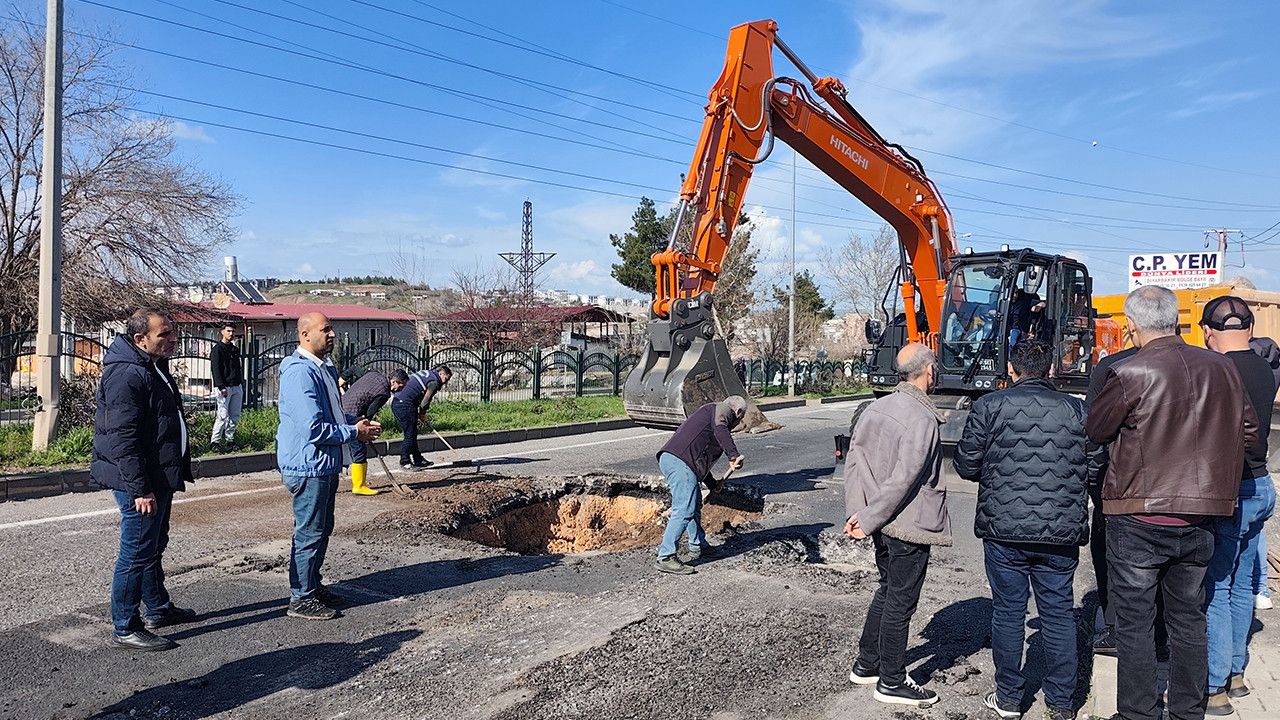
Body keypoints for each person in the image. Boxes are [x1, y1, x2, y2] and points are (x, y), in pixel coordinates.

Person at [1086, 286, 1257, 720]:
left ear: (1131, 326)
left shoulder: (1128, 371)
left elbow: (1096, 430)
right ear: (1176, 320)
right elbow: (1250, 433)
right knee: (1188, 619)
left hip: (1137, 513)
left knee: (1136, 624)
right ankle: (1187, 711)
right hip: (1199, 516)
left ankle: (1138, 713)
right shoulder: (1223, 369)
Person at [953, 339, 1088, 720]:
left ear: (1011, 371)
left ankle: (1010, 698)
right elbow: (1095, 468)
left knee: (1009, 612)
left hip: (1004, 530)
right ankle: (1062, 703)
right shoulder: (1078, 411)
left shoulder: (990, 406)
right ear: (1049, 371)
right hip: (1060, 533)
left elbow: (966, 465)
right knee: (1059, 614)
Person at [844, 342, 950, 708]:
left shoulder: (877, 407)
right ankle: (891, 681)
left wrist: (858, 513)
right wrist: (869, 517)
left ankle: (866, 664)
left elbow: (855, 463)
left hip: (880, 520)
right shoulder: (921, 418)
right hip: (906, 522)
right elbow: (905, 479)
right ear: (929, 371)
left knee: (887, 590)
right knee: (900, 602)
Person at [91, 308, 197, 651]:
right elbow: (123, 438)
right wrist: (140, 489)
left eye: (172, 332)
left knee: (152, 547)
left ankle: (158, 608)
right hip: (141, 483)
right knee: (136, 552)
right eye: (164, 334)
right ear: (140, 339)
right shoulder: (126, 374)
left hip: (158, 476)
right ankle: (125, 625)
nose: (173, 339)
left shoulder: (152, 366)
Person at [1198, 296, 1276, 713]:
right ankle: (1237, 672)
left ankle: (1214, 689)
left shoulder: (1217, 369)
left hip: (1234, 489)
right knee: (1244, 582)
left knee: (1218, 587)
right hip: (1263, 485)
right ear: (1248, 327)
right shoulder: (1264, 368)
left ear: (1209, 331)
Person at [276, 312, 381, 621]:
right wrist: (354, 433)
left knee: (321, 529)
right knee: (309, 531)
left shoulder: (322, 368)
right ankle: (301, 597)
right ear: (305, 335)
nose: (332, 334)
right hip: (308, 466)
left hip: (323, 464)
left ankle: (312, 586)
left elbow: (332, 415)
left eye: (332, 328)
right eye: (326, 329)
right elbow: (313, 429)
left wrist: (353, 422)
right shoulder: (300, 373)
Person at [652, 396, 747, 575]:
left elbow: (699, 459)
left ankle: (698, 546)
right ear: (739, 413)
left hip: (679, 461)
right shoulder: (722, 410)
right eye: (741, 417)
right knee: (684, 509)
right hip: (680, 462)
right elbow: (721, 430)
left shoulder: (710, 417)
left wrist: (711, 484)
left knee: (693, 504)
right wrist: (733, 455)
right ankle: (666, 556)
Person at [338, 366, 404, 496]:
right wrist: (366, 429)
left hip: (339, 409)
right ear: (394, 382)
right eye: (400, 386)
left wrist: (342, 380)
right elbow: (369, 412)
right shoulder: (384, 393)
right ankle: (359, 487)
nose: (400, 390)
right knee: (359, 450)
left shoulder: (372, 374)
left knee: (339, 446)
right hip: (353, 416)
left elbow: (353, 370)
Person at [389, 365, 452, 471]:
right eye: (446, 379)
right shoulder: (434, 382)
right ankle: (405, 461)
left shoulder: (428, 373)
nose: (445, 383)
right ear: (441, 374)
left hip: (398, 402)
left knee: (412, 432)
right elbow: (425, 402)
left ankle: (418, 459)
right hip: (405, 404)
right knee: (410, 434)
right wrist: (422, 413)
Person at [208, 323, 243, 452]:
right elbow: (216, 370)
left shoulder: (234, 350)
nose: (231, 334)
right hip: (224, 388)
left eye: (233, 331)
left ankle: (230, 440)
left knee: (234, 415)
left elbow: (237, 368)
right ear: (222, 332)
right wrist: (221, 387)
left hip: (236, 386)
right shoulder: (217, 350)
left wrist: (241, 384)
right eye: (228, 331)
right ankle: (215, 442)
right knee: (222, 415)